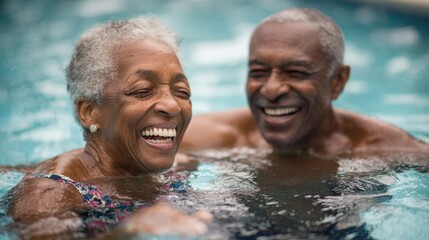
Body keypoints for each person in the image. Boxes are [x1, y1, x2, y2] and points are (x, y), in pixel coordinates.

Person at [6, 16, 193, 238]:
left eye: (181, 91)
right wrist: (126, 231)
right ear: (89, 112)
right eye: (142, 91)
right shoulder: (48, 195)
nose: (172, 105)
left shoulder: (180, 167)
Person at [180, 8, 428, 158]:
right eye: (258, 72)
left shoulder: (379, 149)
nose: (271, 89)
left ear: (338, 81)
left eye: (295, 73)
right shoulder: (218, 138)